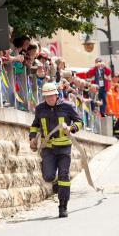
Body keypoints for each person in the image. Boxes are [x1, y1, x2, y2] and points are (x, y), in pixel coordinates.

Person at [29, 83, 83, 218]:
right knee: (48, 177)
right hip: (48, 149)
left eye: (51, 96)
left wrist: (71, 129)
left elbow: (79, 121)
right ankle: (54, 181)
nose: (49, 99)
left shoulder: (67, 107)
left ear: (56, 95)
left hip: (64, 148)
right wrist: (32, 139)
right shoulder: (40, 109)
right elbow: (35, 125)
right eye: (46, 97)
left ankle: (63, 206)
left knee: (64, 175)